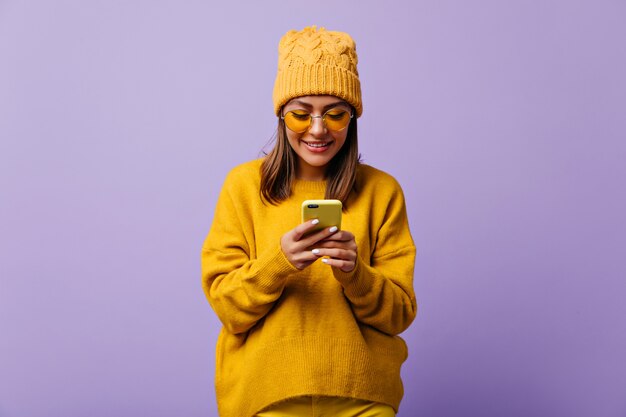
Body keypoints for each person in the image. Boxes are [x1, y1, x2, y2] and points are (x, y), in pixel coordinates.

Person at [201, 26, 417, 417]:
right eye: (301, 114)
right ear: (282, 116)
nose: (318, 130)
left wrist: (356, 274)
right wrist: (278, 262)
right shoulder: (243, 187)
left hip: (363, 397)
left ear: (352, 118)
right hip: (266, 394)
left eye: (335, 113)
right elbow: (227, 306)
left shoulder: (382, 192)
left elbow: (399, 314)